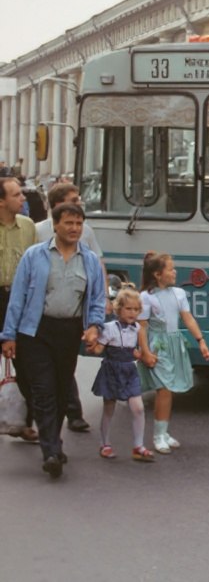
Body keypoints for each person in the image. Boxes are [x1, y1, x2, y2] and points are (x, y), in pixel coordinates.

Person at [0, 202, 106, 478]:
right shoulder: (35, 256)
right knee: (44, 390)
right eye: (68, 223)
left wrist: (94, 327)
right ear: (55, 224)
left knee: (60, 391)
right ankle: (50, 452)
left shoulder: (90, 260)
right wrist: (8, 335)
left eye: (79, 224)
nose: (74, 229)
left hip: (69, 332)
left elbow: (96, 299)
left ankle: (53, 442)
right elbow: (18, 298)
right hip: (35, 332)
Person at [36, 182, 105, 433]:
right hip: (43, 313)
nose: (78, 207)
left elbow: (97, 263)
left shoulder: (85, 230)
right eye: (73, 201)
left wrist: (103, 297)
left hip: (74, 309)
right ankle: (53, 419)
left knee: (65, 366)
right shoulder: (37, 232)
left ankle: (70, 414)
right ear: (57, 209)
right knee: (45, 373)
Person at [137, 251, 209, 454]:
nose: (175, 272)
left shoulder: (179, 293)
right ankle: (158, 435)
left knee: (168, 390)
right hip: (157, 345)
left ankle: (164, 431)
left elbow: (188, 319)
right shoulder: (146, 297)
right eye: (170, 269)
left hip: (174, 343)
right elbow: (142, 327)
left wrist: (201, 341)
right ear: (157, 274)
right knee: (164, 388)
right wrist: (145, 352)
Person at [88, 287, 154, 462]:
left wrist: (143, 356)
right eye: (128, 309)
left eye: (136, 309)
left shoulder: (138, 329)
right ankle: (105, 443)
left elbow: (135, 351)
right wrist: (93, 345)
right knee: (109, 408)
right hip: (111, 370)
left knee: (138, 407)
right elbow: (100, 349)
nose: (132, 313)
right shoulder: (109, 328)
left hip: (129, 371)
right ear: (119, 309)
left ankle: (138, 446)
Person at [0, 176, 38, 442]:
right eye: (16, 195)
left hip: (19, 299)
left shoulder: (27, 226)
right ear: (2, 201)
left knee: (26, 364)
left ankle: (24, 422)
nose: (23, 198)